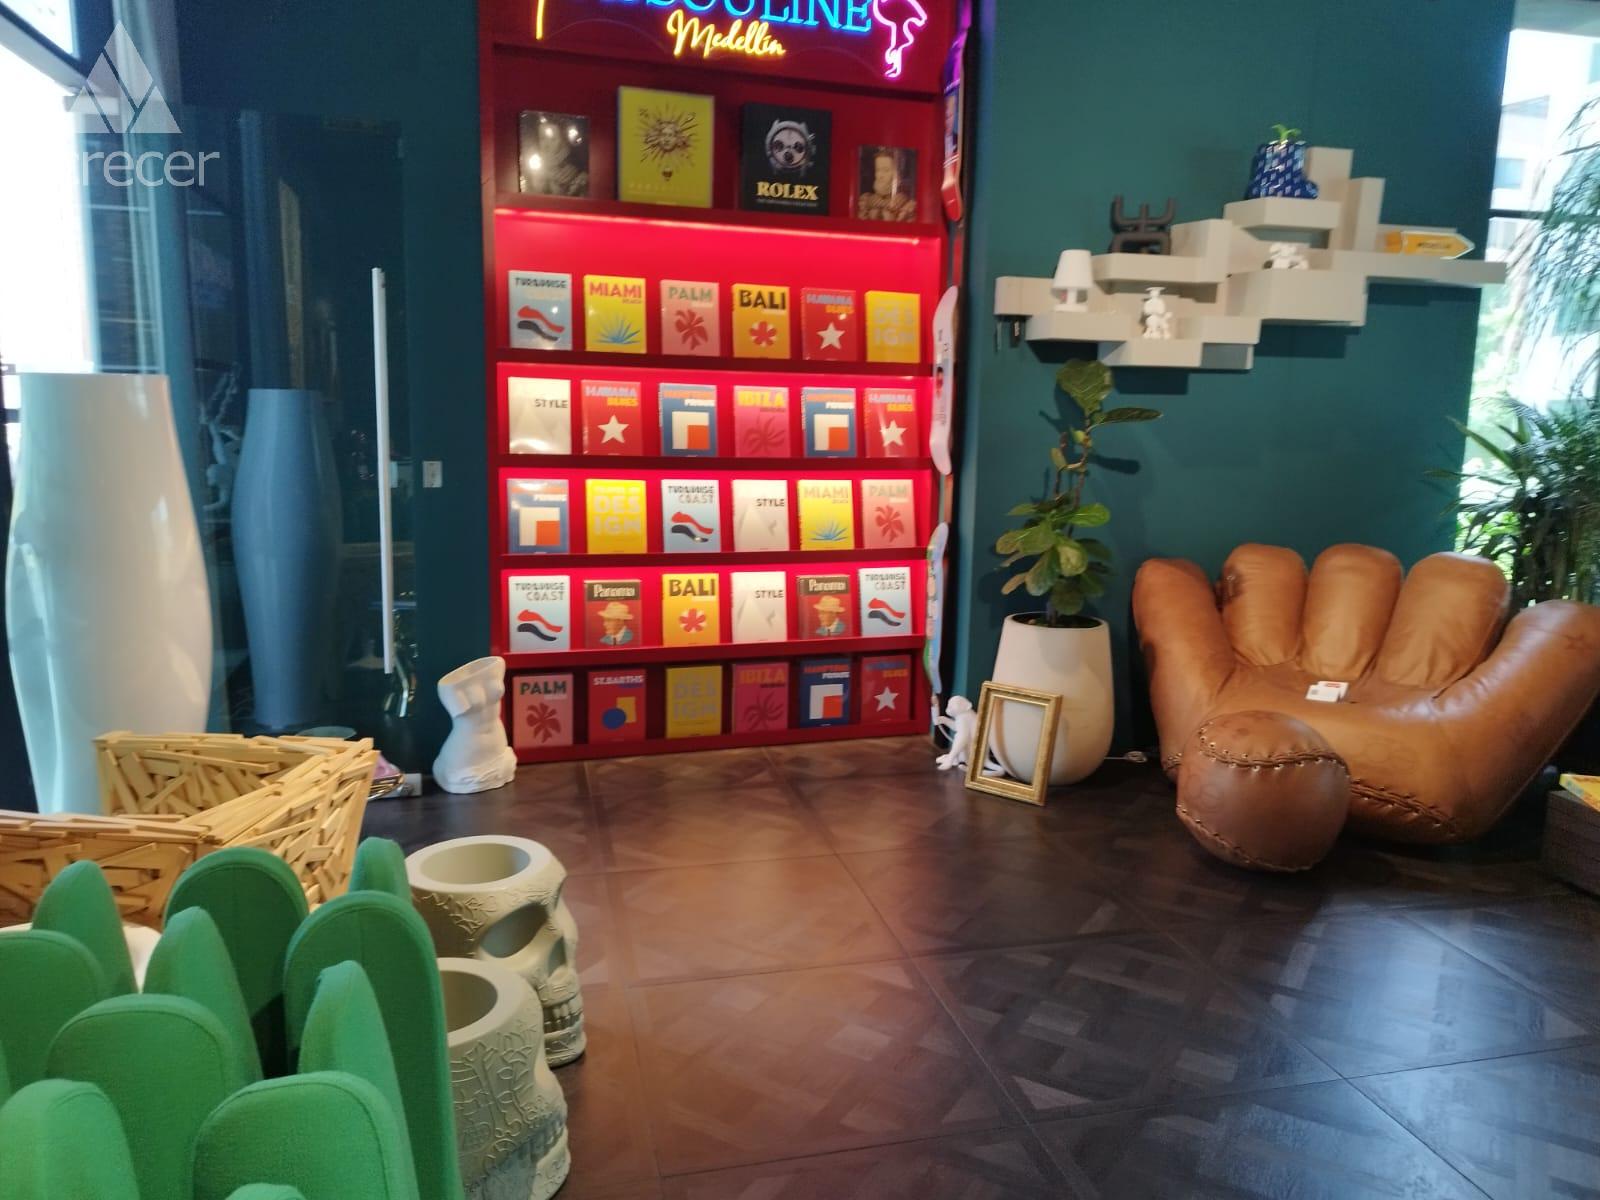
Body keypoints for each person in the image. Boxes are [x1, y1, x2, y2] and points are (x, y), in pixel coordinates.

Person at [857, 148, 916, 222]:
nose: (880, 175)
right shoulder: (865, 201)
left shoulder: (907, 205)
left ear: (897, 175)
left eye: (886, 170)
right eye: (878, 170)